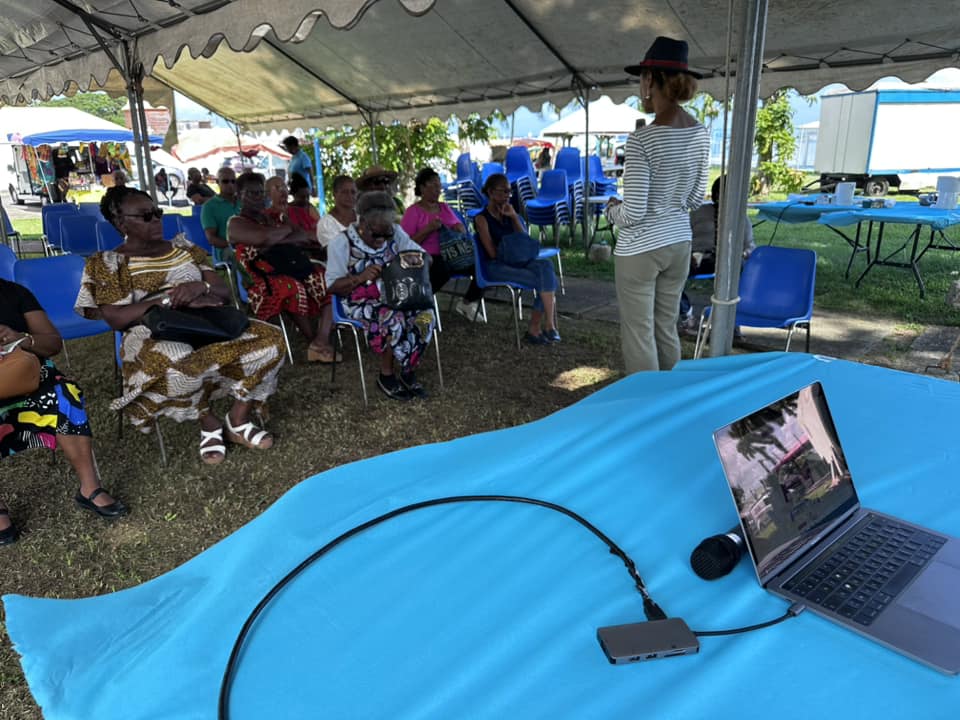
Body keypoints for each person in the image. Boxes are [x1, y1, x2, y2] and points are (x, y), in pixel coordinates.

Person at [76, 185, 286, 465]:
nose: (156, 220)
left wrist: (199, 287)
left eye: (157, 213)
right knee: (178, 358)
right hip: (150, 331)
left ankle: (237, 419)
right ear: (120, 223)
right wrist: (170, 300)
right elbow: (116, 318)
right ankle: (208, 421)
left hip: (206, 321)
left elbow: (222, 292)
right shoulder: (107, 263)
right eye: (146, 216)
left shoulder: (185, 248)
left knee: (271, 339)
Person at [606, 36, 709, 373]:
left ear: (650, 79)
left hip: (640, 248)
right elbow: (694, 199)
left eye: (641, 78)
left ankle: (645, 401)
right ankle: (671, 396)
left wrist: (611, 210)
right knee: (666, 327)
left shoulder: (642, 139)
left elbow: (633, 212)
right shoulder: (700, 134)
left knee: (639, 334)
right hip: (679, 242)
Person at [0, 280, 126, 544]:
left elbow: (53, 343)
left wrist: (21, 338)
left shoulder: (14, 293)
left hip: (28, 375)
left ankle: (90, 489)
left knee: (65, 394)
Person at [326, 190, 436, 401]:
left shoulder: (395, 232)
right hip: (358, 300)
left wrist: (414, 260)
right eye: (377, 235)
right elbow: (332, 286)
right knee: (394, 317)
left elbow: (426, 258)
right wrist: (360, 277)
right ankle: (386, 375)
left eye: (387, 234)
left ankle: (408, 369)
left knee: (425, 315)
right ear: (362, 223)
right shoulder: (341, 243)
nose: (383, 240)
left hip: (396, 294)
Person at [227, 172, 337, 363]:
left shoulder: (271, 218)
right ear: (239, 196)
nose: (258, 197)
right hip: (260, 278)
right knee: (290, 287)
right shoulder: (235, 223)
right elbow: (262, 237)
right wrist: (283, 231)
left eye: (260, 193)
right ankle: (312, 341)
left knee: (326, 278)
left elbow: (302, 236)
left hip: (288, 267)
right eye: (251, 193)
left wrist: (276, 236)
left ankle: (321, 340)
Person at [474, 173, 559, 344]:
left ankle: (548, 324)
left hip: (518, 261)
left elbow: (525, 242)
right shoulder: (481, 219)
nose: (507, 195)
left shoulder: (510, 214)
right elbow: (492, 253)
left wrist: (513, 217)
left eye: (509, 191)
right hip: (495, 266)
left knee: (546, 267)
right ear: (490, 192)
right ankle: (537, 328)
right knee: (545, 281)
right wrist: (511, 250)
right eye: (503, 191)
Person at [401, 167, 484, 322]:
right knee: (442, 269)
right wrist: (428, 229)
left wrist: (459, 228)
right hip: (427, 257)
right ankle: (419, 304)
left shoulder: (444, 207)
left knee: (481, 266)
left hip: (453, 253)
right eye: (433, 185)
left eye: (438, 185)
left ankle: (467, 302)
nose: (437, 189)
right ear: (422, 187)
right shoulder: (413, 212)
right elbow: (405, 244)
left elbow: (458, 226)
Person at [200, 166, 238, 251]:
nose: (230, 184)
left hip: (249, 251)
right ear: (217, 182)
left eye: (233, 181)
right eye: (225, 181)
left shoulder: (244, 201)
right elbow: (211, 238)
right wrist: (236, 249)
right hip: (226, 252)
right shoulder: (209, 206)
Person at [316, 175, 358, 249]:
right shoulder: (326, 223)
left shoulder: (362, 217)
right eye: (345, 192)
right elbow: (335, 251)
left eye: (353, 192)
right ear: (334, 194)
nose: (350, 195)